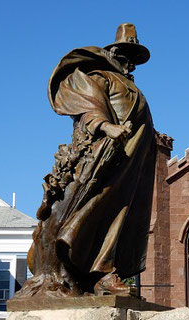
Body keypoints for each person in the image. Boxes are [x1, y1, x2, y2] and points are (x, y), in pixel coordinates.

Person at [16, 23, 156, 298]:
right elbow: (88, 106)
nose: (131, 64)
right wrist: (106, 126)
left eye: (135, 58)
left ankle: (104, 273)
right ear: (112, 52)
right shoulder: (97, 76)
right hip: (105, 158)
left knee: (121, 215)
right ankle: (94, 272)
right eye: (126, 55)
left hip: (132, 163)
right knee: (94, 210)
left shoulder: (132, 87)